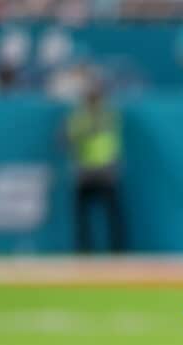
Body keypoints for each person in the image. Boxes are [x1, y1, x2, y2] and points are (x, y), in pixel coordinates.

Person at [65, 81, 125, 252]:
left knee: (112, 216)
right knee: (83, 218)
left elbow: (111, 140)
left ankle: (117, 251)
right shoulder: (80, 117)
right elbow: (67, 140)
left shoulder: (105, 115)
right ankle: (84, 251)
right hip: (86, 172)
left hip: (104, 172)